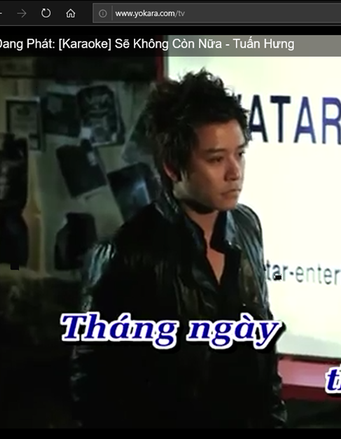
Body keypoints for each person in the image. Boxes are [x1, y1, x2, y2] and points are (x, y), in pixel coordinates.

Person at [70, 70, 287, 428]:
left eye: (240, 154)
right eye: (216, 159)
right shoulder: (124, 254)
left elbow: (263, 356)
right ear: (173, 167)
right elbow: (92, 388)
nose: (235, 172)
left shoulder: (247, 226)